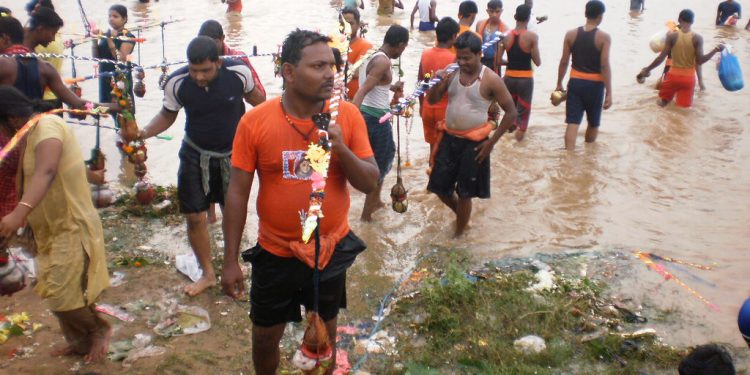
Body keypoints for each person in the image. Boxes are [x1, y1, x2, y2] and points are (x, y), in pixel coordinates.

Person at [221, 29, 379, 375]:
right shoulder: (255, 121)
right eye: (318, 66)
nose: (330, 73)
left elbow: (370, 182)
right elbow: (237, 192)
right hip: (276, 252)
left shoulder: (348, 117)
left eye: (332, 65)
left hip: (330, 248)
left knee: (325, 332)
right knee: (264, 337)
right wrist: (229, 259)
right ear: (289, 72)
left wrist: (340, 148)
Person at [138, 36, 264, 296]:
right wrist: (144, 133)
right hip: (194, 152)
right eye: (194, 71)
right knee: (194, 216)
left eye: (205, 70)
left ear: (218, 62)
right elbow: (167, 115)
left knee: (233, 212)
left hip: (234, 155)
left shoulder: (239, 72)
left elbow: (259, 102)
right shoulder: (177, 82)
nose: (199, 77)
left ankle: (233, 263)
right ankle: (207, 274)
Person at [0, 86, 111, 363]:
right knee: (53, 291)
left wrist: (18, 214)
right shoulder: (27, 135)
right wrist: (21, 220)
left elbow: (47, 170)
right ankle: (79, 342)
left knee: (64, 294)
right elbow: (30, 175)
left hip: (71, 225)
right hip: (47, 228)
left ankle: (99, 329)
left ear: (12, 118)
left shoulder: (47, 126)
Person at [426, 32, 516, 237]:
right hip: (449, 139)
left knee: (465, 193)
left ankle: (458, 236)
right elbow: (432, 100)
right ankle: (463, 218)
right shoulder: (451, 73)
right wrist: (438, 81)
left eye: (466, 58)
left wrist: (491, 143)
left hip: (475, 144)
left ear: (479, 54)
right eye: (459, 57)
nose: (461, 62)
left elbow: (511, 113)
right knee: (438, 187)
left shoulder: (491, 79)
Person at [197, 20, 268, 223]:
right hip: (204, 130)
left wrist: (236, 85)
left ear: (221, 40)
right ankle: (210, 222)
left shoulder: (238, 60)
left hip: (233, 131)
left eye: (212, 43)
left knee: (230, 190)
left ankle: (232, 231)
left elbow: (260, 97)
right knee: (205, 182)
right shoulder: (198, 58)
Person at [352, 24, 409, 221]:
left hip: (370, 115)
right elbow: (363, 89)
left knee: (380, 160)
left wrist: (391, 86)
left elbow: (369, 82)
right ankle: (366, 216)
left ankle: (375, 203)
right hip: (375, 119)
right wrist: (351, 116)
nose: (402, 52)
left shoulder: (371, 55)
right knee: (380, 165)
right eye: (404, 48)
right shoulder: (383, 62)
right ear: (400, 44)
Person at [555, 0, 612, 151]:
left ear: (585, 14)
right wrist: (609, 92)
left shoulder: (571, 34)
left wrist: (559, 83)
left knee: (573, 122)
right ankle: (589, 153)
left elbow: (564, 61)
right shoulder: (604, 38)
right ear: (600, 16)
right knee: (593, 122)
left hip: (575, 83)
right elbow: (604, 65)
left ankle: (569, 155)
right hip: (595, 86)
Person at [638, 10, 724, 108]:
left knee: (662, 104)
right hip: (688, 79)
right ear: (692, 22)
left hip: (673, 76)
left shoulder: (672, 36)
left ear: (679, 20)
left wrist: (647, 69)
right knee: (684, 110)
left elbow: (660, 58)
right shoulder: (697, 38)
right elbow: (700, 61)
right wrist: (716, 50)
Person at [418, 17, 458, 157]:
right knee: (446, 155)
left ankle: (431, 176)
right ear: (454, 36)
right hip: (446, 111)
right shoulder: (454, 60)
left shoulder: (425, 53)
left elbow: (421, 82)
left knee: (432, 151)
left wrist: (421, 106)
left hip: (428, 109)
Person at [501, 4, 540, 142]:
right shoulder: (532, 37)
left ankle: (506, 144)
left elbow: (498, 61)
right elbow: (537, 61)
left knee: (510, 113)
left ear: (515, 17)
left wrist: (510, 63)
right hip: (525, 80)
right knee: (523, 116)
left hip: (509, 78)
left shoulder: (504, 36)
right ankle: (516, 147)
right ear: (528, 18)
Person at [91, 5, 135, 105]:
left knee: (124, 112)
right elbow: (96, 58)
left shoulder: (128, 37)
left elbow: (121, 58)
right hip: (105, 77)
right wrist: (94, 40)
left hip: (120, 78)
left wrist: (110, 40)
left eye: (115, 16)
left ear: (124, 19)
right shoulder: (106, 34)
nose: (111, 19)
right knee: (107, 108)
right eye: (109, 16)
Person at [25, 0, 64, 110]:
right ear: (40, 29)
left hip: (45, 100)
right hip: (48, 99)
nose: (52, 38)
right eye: (52, 33)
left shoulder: (42, 63)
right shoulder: (40, 63)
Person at [341, 7, 372, 100]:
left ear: (358, 25)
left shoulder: (366, 46)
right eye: (343, 24)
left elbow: (357, 72)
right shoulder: (335, 43)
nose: (346, 27)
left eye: (350, 24)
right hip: (335, 100)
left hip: (355, 101)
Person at [475, 0, 507, 73]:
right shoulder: (480, 24)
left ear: (501, 11)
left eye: (497, 11)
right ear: (487, 11)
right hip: (480, 61)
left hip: (495, 63)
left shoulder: (505, 29)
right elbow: (475, 44)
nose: (494, 14)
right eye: (491, 11)